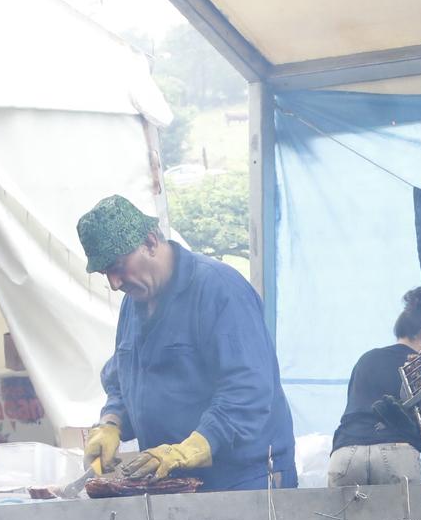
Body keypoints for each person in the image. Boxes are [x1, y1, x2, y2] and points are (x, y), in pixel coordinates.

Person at [76, 195, 296, 490]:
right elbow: (126, 379)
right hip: (175, 481)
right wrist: (112, 422)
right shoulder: (135, 302)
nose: (114, 283)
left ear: (151, 242)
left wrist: (192, 448)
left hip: (245, 479)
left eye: (118, 266)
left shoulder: (220, 289)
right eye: (106, 274)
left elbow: (249, 390)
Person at [328, 287, 421, 487]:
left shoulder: (366, 359)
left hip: (346, 453)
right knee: (403, 519)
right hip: (396, 452)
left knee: (346, 519)